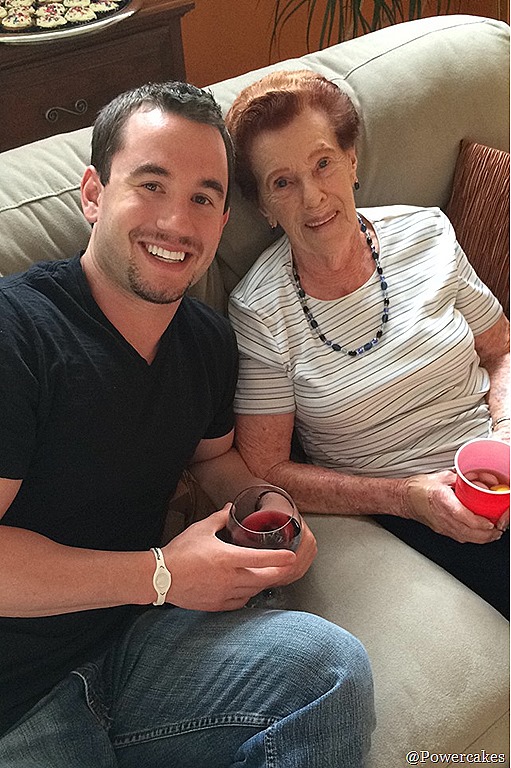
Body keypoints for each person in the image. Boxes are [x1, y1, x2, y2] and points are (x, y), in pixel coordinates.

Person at [0, 82, 375, 767]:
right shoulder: (18, 331)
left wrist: (269, 506)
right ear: (93, 194)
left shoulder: (206, 341)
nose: (176, 222)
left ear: (223, 219)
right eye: (151, 186)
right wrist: (161, 576)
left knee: (330, 669)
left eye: (203, 198)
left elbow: (212, 460)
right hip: (18, 695)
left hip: (138, 650)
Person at [225, 70, 510, 618]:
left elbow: (501, 349)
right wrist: (404, 498)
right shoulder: (260, 311)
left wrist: (505, 433)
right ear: (263, 207)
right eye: (282, 183)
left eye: (323, 163)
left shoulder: (427, 233)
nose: (313, 197)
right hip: (412, 516)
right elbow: (267, 468)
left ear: (352, 161)